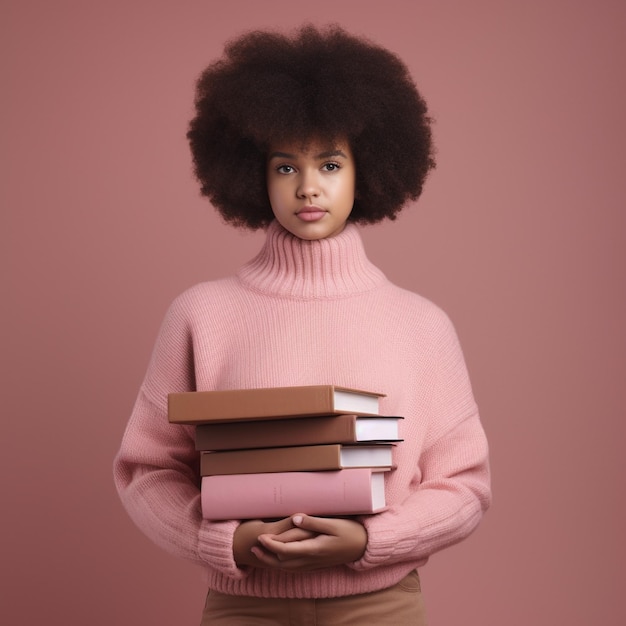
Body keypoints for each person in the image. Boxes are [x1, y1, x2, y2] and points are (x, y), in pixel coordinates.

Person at [113, 24, 491, 625]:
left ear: (367, 170)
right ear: (253, 175)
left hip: (382, 605)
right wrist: (224, 543)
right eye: (285, 167)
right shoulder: (200, 313)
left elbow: (465, 485)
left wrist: (373, 541)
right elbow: (147, 469)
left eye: (330, 164)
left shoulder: (423, 325)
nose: (308, 187)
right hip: (244, 605)